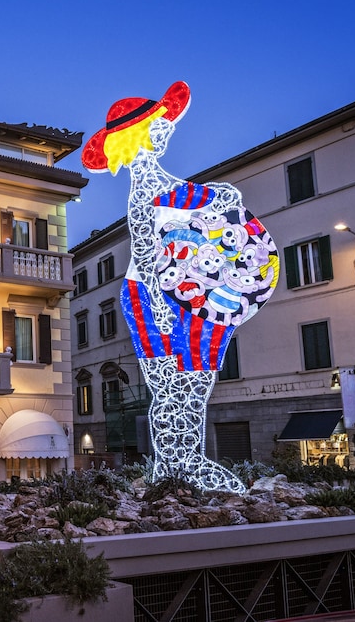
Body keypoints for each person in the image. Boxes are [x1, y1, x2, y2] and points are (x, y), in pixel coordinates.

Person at [83, 82, 279, 494]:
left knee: (188, 384)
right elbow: (145, 252)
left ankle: (179, 465)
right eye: (157, 127)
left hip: (192, 292)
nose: (165, 131)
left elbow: (206, 203)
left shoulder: (167, 187)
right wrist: (159, 307)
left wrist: (221, 197)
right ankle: (179, 464)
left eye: (164, 125)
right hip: (162, 296)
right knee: (176, 384)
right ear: (134, 140)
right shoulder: (146, 195)